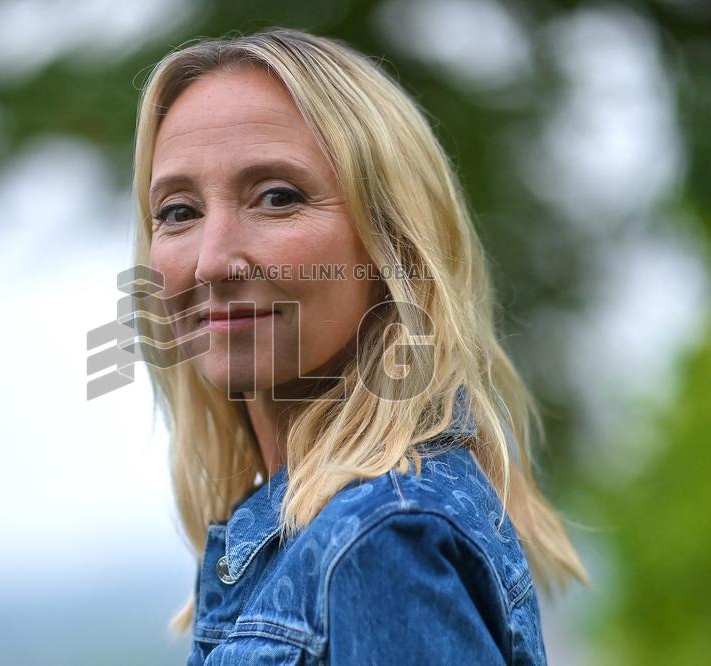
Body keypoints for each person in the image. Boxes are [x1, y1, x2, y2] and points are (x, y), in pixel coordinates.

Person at [128, 27, 589, 665]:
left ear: (391, 242)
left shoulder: (381, 540)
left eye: (277, 198)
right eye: (178, 211)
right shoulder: (317, 536)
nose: (211, 262)